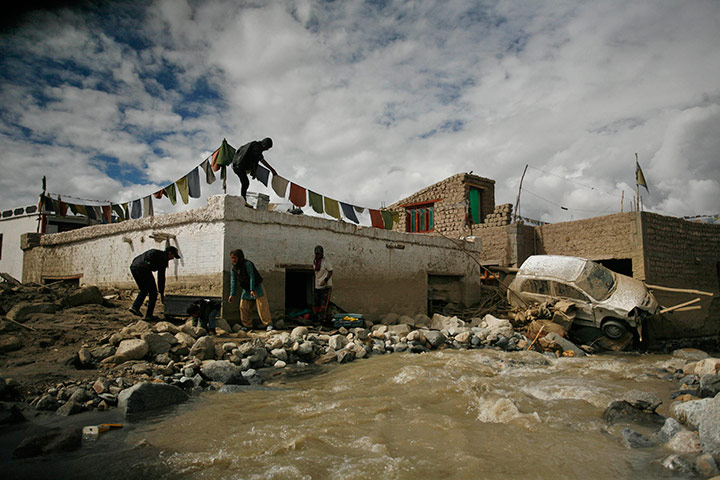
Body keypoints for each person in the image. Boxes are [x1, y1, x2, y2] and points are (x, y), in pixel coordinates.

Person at [129, 246, 180, 321]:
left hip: (134, 267)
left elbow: (161, 278)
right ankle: (149, 315)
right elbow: (161, 277)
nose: (172, 258)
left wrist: (161, 292)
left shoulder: (157, 254)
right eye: (173, 256)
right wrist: (147, 265)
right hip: (142, 269)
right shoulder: (160, 257)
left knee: (144, 289)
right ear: (169, 253)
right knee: (153, 292)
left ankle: (135, 307)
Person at [228, 249, 273, 331]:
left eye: (234, 257)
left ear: (239, 257)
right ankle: (247, 325)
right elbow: (233, 281)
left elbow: (252, 276)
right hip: (246, 289)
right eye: (232, 258)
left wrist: (252, 289)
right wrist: (232, 294)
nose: (233, 260)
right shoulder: (233, 268)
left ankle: (268, 324)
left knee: (262, 306)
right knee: (244, 307)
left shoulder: (248, 264)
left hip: (256, 287)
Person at [231, 137, 277, 205]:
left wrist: (254, 172)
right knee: (245, 183)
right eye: (267, 148)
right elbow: (261, 160)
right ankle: (243, 200)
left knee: (245, 183)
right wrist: (272, 169)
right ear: (265, 145)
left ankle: (243, 200)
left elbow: (254, 161)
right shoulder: (256, 146)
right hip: (238, 166)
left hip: (239, 166)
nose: (267, 149)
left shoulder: (257, 148)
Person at [312, 245, 333, 326]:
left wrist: (325, 280)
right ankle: (317, 319)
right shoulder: (314, 261)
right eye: (317, 254)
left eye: (319, 254)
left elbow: (331, 271)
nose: (318, 255)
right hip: (317, 285)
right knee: (316, 303)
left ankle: (323, 321)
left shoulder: (325, 261)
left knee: (323, 305)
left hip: (325, 286)